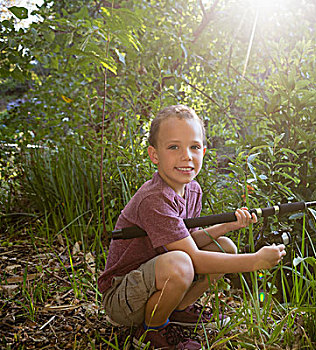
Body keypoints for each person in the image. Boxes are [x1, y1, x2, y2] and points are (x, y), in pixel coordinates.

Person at [97, 105, 286, 349]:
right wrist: (254, 262)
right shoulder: (154, 198)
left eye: (194, 147)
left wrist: (225, 226)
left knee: (224, 247)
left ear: (204, 152)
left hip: (155, 280)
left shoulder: (192, 189)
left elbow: (188, 240)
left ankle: (177, 310)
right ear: (155, 155)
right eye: (174, 147)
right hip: (123, 299)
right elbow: (193, 258)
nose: (187, 156)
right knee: (181, 265)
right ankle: (151, 332)